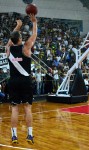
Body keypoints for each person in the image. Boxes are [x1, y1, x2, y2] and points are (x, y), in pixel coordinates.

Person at [5, 14, 37, 144]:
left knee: (14, 109)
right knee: (27, 108)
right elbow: (34, 35)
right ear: (20, 38)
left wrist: (17, 27)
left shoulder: (8, 50)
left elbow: (10, 40)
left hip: (13, 81)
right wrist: (34, 22)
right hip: (25, 81)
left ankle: (14, 136)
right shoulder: (25, 48)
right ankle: (29, 135)